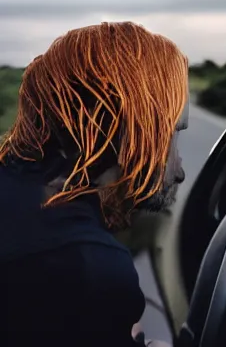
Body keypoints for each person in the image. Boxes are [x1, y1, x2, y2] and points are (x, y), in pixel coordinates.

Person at [0, 22, 189, 346]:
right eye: (171, 135)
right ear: (122, 125)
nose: (180, 170)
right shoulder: (84, 265)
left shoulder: (14, 187)